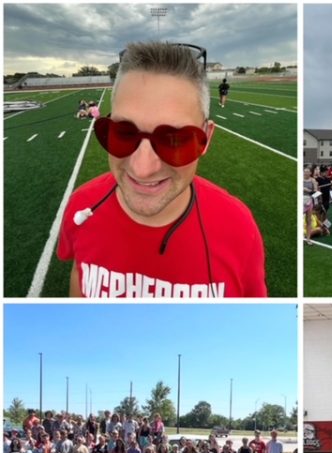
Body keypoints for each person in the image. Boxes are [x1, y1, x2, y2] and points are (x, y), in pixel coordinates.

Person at [57, 41, 266, 298]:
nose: (143, 168)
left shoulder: (239, 229)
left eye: (174, 140)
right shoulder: (81, 204)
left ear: (206, 138)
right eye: (123, 133)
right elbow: (80, 273)